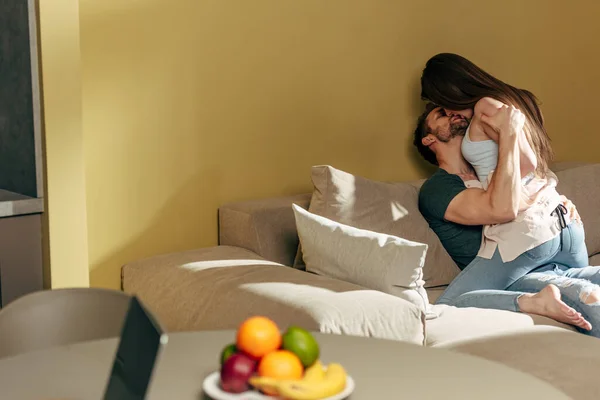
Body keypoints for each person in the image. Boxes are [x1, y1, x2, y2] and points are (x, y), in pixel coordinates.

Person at [413, 56, 600, 336]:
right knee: (571, 290)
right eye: (441, 113)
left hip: (532, 238)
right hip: (541, 241)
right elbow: (506, 202)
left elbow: (511, 197)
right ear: (429, 139)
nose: (452, 113)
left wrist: (544, 200)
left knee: (450, 305)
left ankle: (535, 300)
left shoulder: (485, 136)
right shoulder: (439, 188)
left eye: (447, 105)